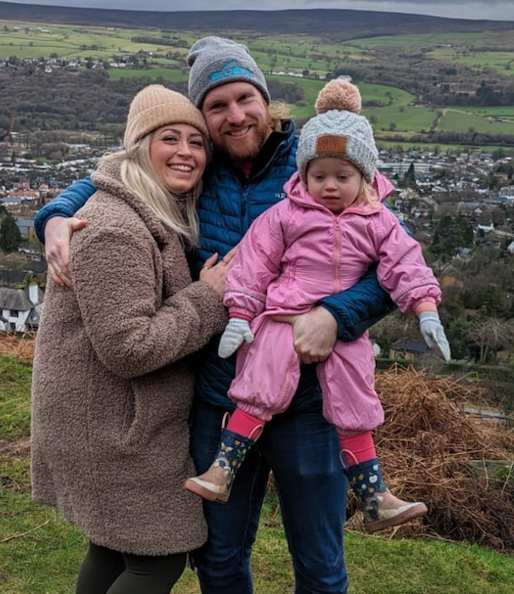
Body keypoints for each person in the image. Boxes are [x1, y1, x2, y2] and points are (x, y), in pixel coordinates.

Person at [35, 37, 422, 594]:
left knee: (318, 562)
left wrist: (337, 315)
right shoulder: (203, 164)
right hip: (219, 395)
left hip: (311, 401)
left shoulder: (318, 163)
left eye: (245, 98)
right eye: (216, 107)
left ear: (267, 101)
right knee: (217, 558)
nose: (235, 116)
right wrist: (56, 214)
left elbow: (395, 261)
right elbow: (121, 170)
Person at [183, 79, 450, 533]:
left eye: (342, 177)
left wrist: (424, 306)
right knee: (259, 381)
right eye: (319, 176)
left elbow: (405, 262)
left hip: (341, 336)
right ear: (303, 173)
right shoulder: (284, 213)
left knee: (355, 398)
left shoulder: (378, 220)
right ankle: (222, 469)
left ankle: (375, 495)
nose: (328, 187)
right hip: (278, 317)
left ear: (364, 178)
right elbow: (252, 265)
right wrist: (241, 317)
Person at [30, 84, 234, 594]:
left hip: (107, 416)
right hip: (113, 426)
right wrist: (208, 298)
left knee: (114, 546)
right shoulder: (115, 228)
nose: (187, 152)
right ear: (140, 146)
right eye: (171, 138)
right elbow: (129, 348)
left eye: (197, 141)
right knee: (157, 559)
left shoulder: (147, 208)